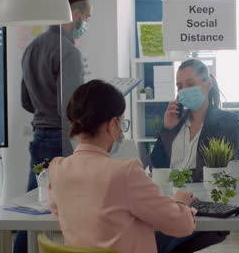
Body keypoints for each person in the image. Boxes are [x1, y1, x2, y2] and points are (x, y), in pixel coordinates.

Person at [47, 79, 197, 253]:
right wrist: (180, 202)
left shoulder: (57, 168)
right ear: (112, 125)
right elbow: (182, 226)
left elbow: (63, 209)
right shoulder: (126, 172)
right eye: (121, 121)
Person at [15, 0, 91, 252]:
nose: (86, 24)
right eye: (87, 17)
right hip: (60, 141)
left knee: (32, 213)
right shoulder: (68, 51)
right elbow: (69, 110)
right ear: (77, 14)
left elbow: (25, 101)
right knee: (69, 212)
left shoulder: (33, 47)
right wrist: (79, 152)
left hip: (39, 138)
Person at [150, 59, 239, 253]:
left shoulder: (226, 123)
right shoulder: (175, 122)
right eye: (179, 86)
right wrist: (167, 129)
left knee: (154, 241)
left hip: (203, 207)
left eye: (190, 84)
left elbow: (223, 174)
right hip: (171, 204)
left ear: (207, 84)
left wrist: (178, 180)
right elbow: (156, 167)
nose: (183, 90)